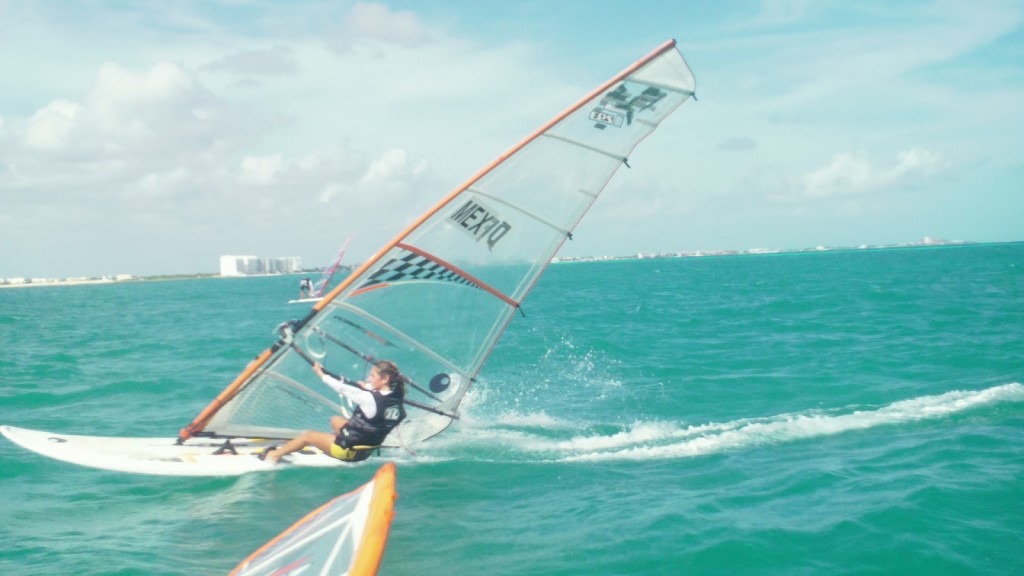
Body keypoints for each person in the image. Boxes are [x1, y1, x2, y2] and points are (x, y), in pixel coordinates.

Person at [260, 360, 406, 464]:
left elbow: (340, 387)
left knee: (307, 436)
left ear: (385, 379)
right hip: (366, 449)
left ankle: (273, 455)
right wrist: (369, 386)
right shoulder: (398, 399)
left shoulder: (368, 398)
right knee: (335, 420)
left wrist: (321, 374)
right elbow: (379, 398)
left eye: (373, 376)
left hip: (348, 451)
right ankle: (327, 441)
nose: (369, 378)